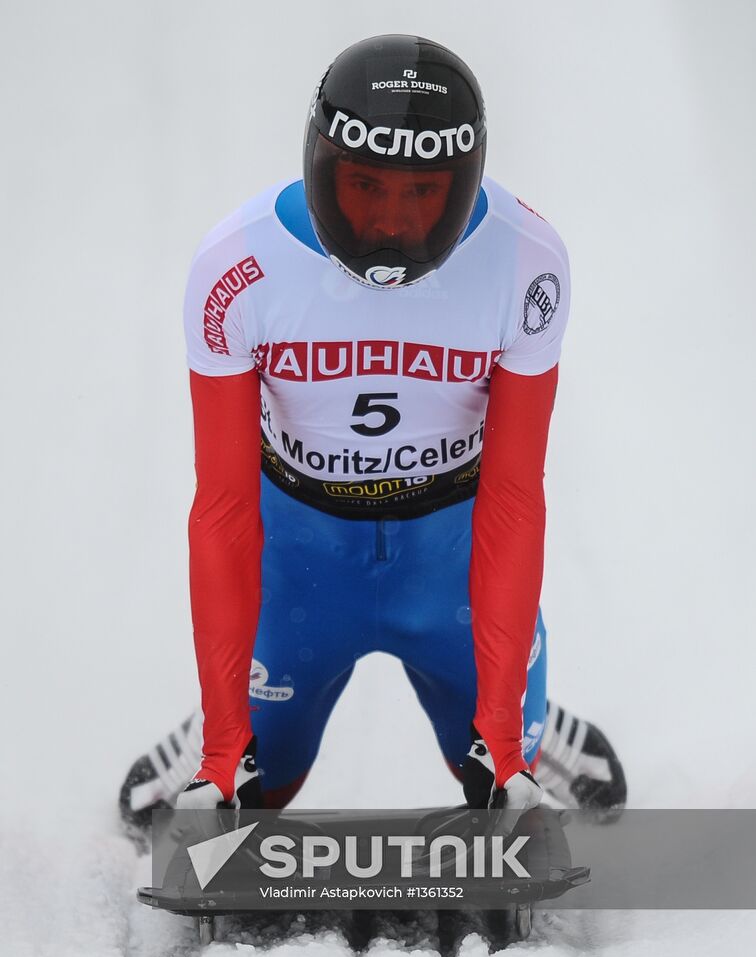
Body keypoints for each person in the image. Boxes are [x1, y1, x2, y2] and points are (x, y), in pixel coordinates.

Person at [119, 34, 626, 833]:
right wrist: (225, 747)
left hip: (449, 558)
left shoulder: (528, 261)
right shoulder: (237, 266)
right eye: (365, 189)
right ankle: (215, 729)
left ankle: (530, 719)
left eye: (422, 196)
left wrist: (501, 732)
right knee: (262, 793)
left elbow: (515, 495)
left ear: (467, 183)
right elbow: (221, 507)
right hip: (305, 561)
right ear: (321, 166)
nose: (390, 225)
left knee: (493, 784)